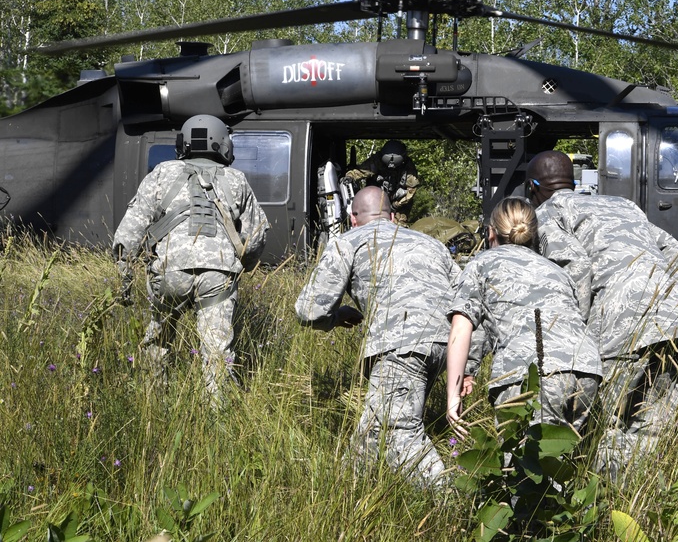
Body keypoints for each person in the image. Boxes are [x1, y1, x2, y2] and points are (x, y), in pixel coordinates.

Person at [525, 150, 678, 478]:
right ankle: (645, 509)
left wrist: (575, 336)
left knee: (607, 429)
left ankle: (605, 513)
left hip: (617, 326)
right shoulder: (624, 206)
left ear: (532, 188)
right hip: (672, 324)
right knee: (649, 431)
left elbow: (575, 267)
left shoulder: (549, 212)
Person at [295, 185, 458, 486]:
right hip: (448, 344)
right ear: (393, 216)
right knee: (373, 429)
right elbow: (465, 299)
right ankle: (346, 492)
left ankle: (452, 505)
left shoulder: (349, 241)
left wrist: (336, 316)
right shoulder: (431, 244)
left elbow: (309, 310)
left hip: (401, 347)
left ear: (353, 218)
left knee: (400, 431)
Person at [113, 114, 269, 399]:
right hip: (217, 276)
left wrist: (124, 280)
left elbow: (130, 230)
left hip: (168, 272)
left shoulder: (161, 172)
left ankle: (155, 405)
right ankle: (216, 419)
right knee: (217, 351)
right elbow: (256, 235)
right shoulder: (236, 179)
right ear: (223, 143)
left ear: (182, 144)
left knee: (158, 342)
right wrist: (241, 266)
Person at [446, 197, 602, 438]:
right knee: (559, 462)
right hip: (586, 370)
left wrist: (452, 396)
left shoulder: (482, 263)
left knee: (523, 467)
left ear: (490, 233)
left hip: (533, 374)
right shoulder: (557, 271)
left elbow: (461, 328)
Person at [346, 140, 420, 226]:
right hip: (375, 200)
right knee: (370, 224)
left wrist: (395, 205)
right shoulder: (377, 160)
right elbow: (362, 171)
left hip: (399, 202)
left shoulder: (409, 168)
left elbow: (411, 191)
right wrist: (350, 177)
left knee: (399, 227)